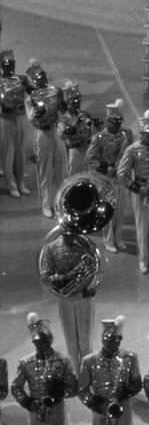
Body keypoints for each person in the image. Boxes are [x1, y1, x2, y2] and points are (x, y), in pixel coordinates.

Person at [10, 314, 77, 425]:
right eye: (37, 342)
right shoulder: (26, 362)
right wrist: (29, 403)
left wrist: (58, 394)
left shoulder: (62, 360)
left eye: (44, 340)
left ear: (51, 339)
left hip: (55, 411)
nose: (41, 345)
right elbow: (16, 387)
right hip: (36, 413)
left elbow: (73, 387)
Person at [38, 222, 98, 377]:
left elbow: (97, 269)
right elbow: (45, 276)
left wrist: (92, 284)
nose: (73, 236)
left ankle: (86, 374)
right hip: (65, 298)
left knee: (86, 339)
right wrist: (57, 279)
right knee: (70, 339)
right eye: (69, 233)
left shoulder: (84, 245)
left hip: (84, 296)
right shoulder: (50, 249)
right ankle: (75, 374)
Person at [116, 110, 149, 275]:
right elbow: (122, 174)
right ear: (141, 133)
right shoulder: (132, 150)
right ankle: (143, 260)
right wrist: (137, 187)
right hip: (140, 191)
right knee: (142, 227)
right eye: (148, 134)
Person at [85, 99, 131, 254]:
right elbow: (90, 158)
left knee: (120, 210)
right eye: (114, 122)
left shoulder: (124, 137)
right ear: (108, 121)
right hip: (106, 178)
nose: (117, 125)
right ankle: (108, 240)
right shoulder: (99, 138)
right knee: (108, 211)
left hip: (120, 177)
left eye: (119, 122)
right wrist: (104, 167)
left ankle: (119, 238)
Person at [23, 60, 62, 219]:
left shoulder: (54, 91)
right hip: (42, 133)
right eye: (37, 78)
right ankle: (47, 204)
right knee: (45, 171)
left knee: (60, 168)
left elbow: (61, 109)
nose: (41, 80)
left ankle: (60, 202)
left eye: (42, 76)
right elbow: (31, 118)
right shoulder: (30, 98)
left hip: (55, 130)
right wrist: (36, 113)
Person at [0, 48, 29, 198]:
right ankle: (11, 184)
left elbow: (35, 91)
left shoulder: (21, 79)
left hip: (19, 118)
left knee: (20, 152)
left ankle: (20, 182)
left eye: (11, 63)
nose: (9, 66)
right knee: (8, 153)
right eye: (6, 64)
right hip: (6, 120)